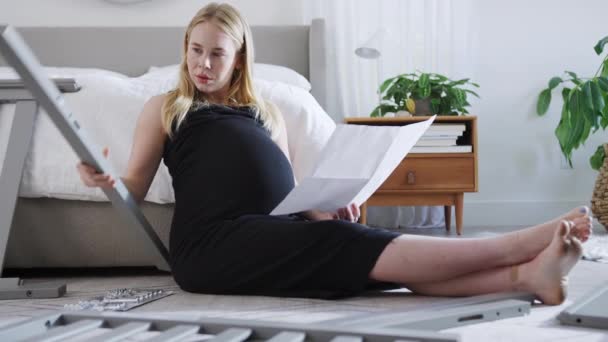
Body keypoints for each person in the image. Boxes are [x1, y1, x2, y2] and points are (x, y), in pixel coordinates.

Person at [77, 2, 593, 304]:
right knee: (352, 245)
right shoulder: (165, 108)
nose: (203, 63)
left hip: (270, 230)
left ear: (237, 62)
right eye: (196, 49)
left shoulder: (265, 113)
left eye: (217, 53)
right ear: (185, 48)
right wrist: (107, 181)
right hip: (213, 244)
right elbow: (135, 190)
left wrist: (330, 205)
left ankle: (526, 278)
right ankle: (516, 246)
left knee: (371, 259)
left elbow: (291, 196)